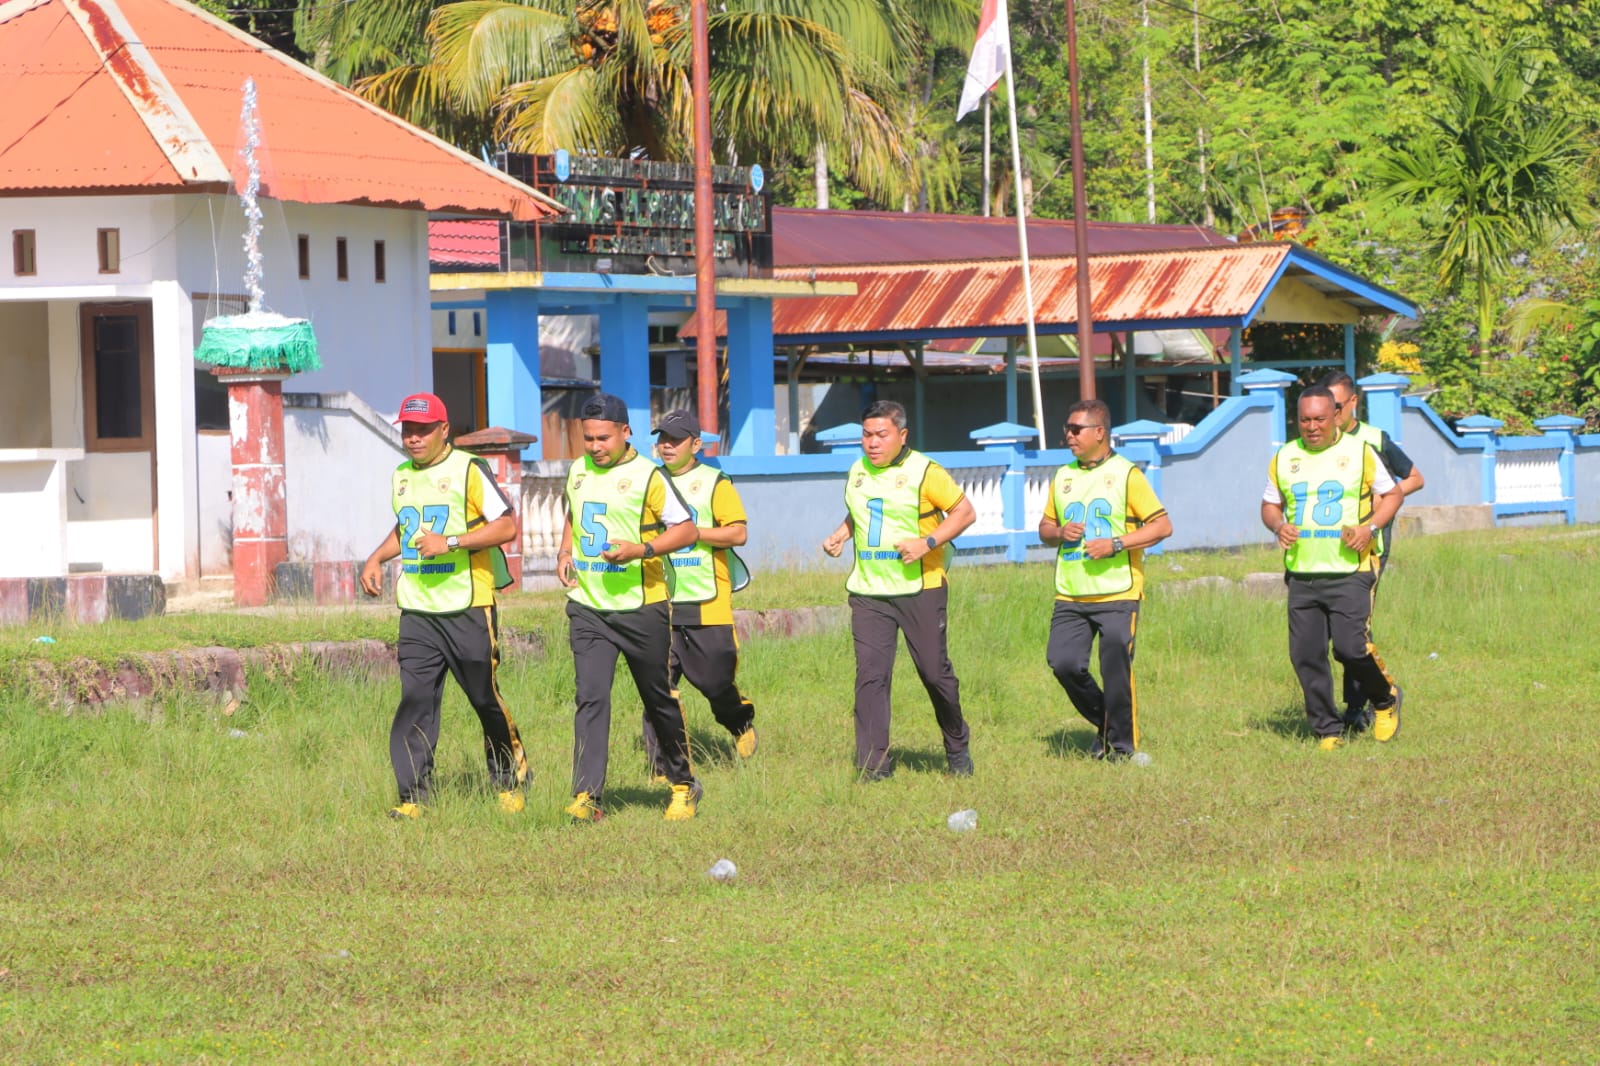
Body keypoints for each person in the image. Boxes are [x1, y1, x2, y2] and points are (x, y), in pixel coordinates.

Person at [359, 392, 529, 818]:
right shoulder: (401, 475)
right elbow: (406, 527)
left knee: (483, 698)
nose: (413, 438)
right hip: (417, 610)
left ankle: (510, 779)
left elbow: (506, 525)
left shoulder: (469, 469)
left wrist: (450, 542)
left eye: (422, 430)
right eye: (407, 430)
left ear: (444, 430)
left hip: (467, 605)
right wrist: (377, 557)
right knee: (415, 699)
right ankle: (413, 796)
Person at [556, 393, 703, 821]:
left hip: (642, 607)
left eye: (603, 437)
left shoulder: (649, 476)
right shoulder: (578, 471)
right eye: (588, 438)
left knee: (658, 697)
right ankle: (587, 796)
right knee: (590, 697)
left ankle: (682, 784)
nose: (595, 446)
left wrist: (642, 548)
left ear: (625, 433)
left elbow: (688, 529)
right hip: (587, 608)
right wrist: (566, 552)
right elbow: (573, 511)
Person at [821, 400, 976, 779]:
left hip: (920, 588)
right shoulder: (858, 471)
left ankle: (957, 747)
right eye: (867, 435)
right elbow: (865, 511)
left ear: (902, 435)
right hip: (870, 591)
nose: (872, 443)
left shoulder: (925, 472)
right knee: (871, 676)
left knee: (933, 673)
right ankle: (874, 766)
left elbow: (964, 512)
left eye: (881, 435)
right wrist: (842, 533)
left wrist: (929, 542)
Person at [1261, 386, 1406, 750]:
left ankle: (1385, 698)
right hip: (1303, 573)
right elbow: (1269, 505)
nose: (1312, 427)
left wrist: (1369, 528)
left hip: (1350, 570)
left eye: (1320, 419)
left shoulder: (1361, 452)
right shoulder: (1284, 457)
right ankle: (1328, 730)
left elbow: (1393, 495)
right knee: (1306, 655)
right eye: (1305, 420)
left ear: (1335, 416)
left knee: (1350, 648)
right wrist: (1279, 526)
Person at [1037, 400, 1173, 760]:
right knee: (1062, 663)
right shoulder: (1063, 475)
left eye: (1076, 429)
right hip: (1071, 592)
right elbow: (1045, 529)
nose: (1068, 435)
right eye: (1067, 428)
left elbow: (1162, 526)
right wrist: (1059, 532)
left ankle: (1122, 749)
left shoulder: (1127, 474)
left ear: (1100, 432)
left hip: (1118, 591)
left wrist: (1115, 544)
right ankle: (1106, 723)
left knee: (1115, 670)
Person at [641, 409, 758, 775]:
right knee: (658, 686)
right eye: (662, 439)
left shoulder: (714, 482)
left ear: (696, 444)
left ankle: (737, 720)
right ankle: (664, 767)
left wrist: (694, 533)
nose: (666, 446)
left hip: (707, 598)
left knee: (714, 679)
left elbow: (737, 533)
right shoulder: (647, 481)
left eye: (675, 440)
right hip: (660, 599)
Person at [1319, 370, 1425, 737]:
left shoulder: (1373, 439)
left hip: (1369, 550)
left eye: (1335, 406)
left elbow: (1414, 477)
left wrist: (1385, 496)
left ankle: (1360, 706)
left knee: (1354, 631)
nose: (1328, 414)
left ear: (1352, 403)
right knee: (1333, 633)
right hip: (1323, 553)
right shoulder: (1316, 442)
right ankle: (1354, 705)